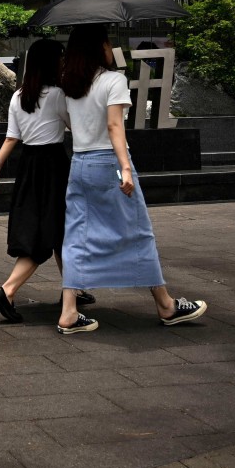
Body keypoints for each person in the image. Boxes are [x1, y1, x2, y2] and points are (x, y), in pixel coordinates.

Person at [55, 23, 207, 335]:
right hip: (109, 162)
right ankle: (166, 304)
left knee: (76, 235)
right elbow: (114, 128)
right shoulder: (114, 80)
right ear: (100, 47)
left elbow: (69, 123)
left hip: (80, 163)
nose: (111, 48)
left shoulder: (69, 84)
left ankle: (69, 311)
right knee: (137, 230)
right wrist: (125, 168)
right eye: (108, 42)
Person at [0, 39, 94, 323]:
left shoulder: (19, 95)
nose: (63, 63)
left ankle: (75, 288)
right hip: (54, 165)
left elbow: (11, 137)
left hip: (29, 167)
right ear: (51, 63)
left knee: (57, 231)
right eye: (61, 58)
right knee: (56, 231)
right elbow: (76, 127)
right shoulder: (57, 95)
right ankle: (7, 290)